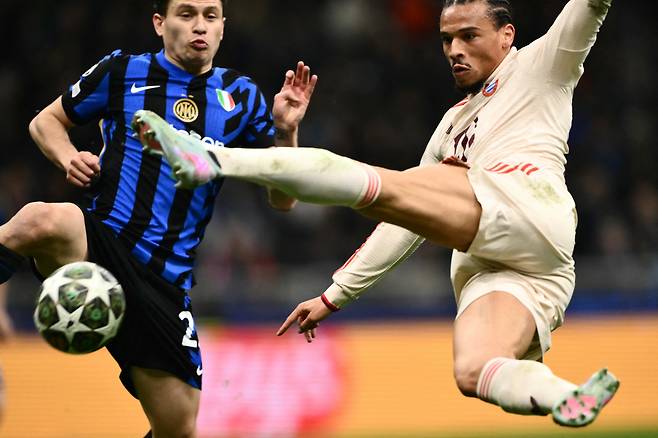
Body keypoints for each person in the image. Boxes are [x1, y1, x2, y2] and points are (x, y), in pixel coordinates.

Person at [133, 0, 620, 428]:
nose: (454, 50)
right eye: (446, 39)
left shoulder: (543, 64)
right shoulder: (451, 127)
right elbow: (404, 223)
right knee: (474, 369)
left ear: (506, 35)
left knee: (384, 186)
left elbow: (590, 7)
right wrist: (333, 296)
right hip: (519, 267)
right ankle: (566, 396)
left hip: (527, 203)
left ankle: (212, 160)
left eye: (469, 36)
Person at [0, 0, 317, 436]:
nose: (199, 26)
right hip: (103, 243)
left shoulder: (241, 96)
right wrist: (69, 157)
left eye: (210, 16)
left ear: (223, 27)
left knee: (178, 427)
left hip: (165, 281)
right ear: (159, 23)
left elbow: (283, 200)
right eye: (186, 14)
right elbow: (46, 122)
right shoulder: (122, 71)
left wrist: (285, 131)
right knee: (41, 220)